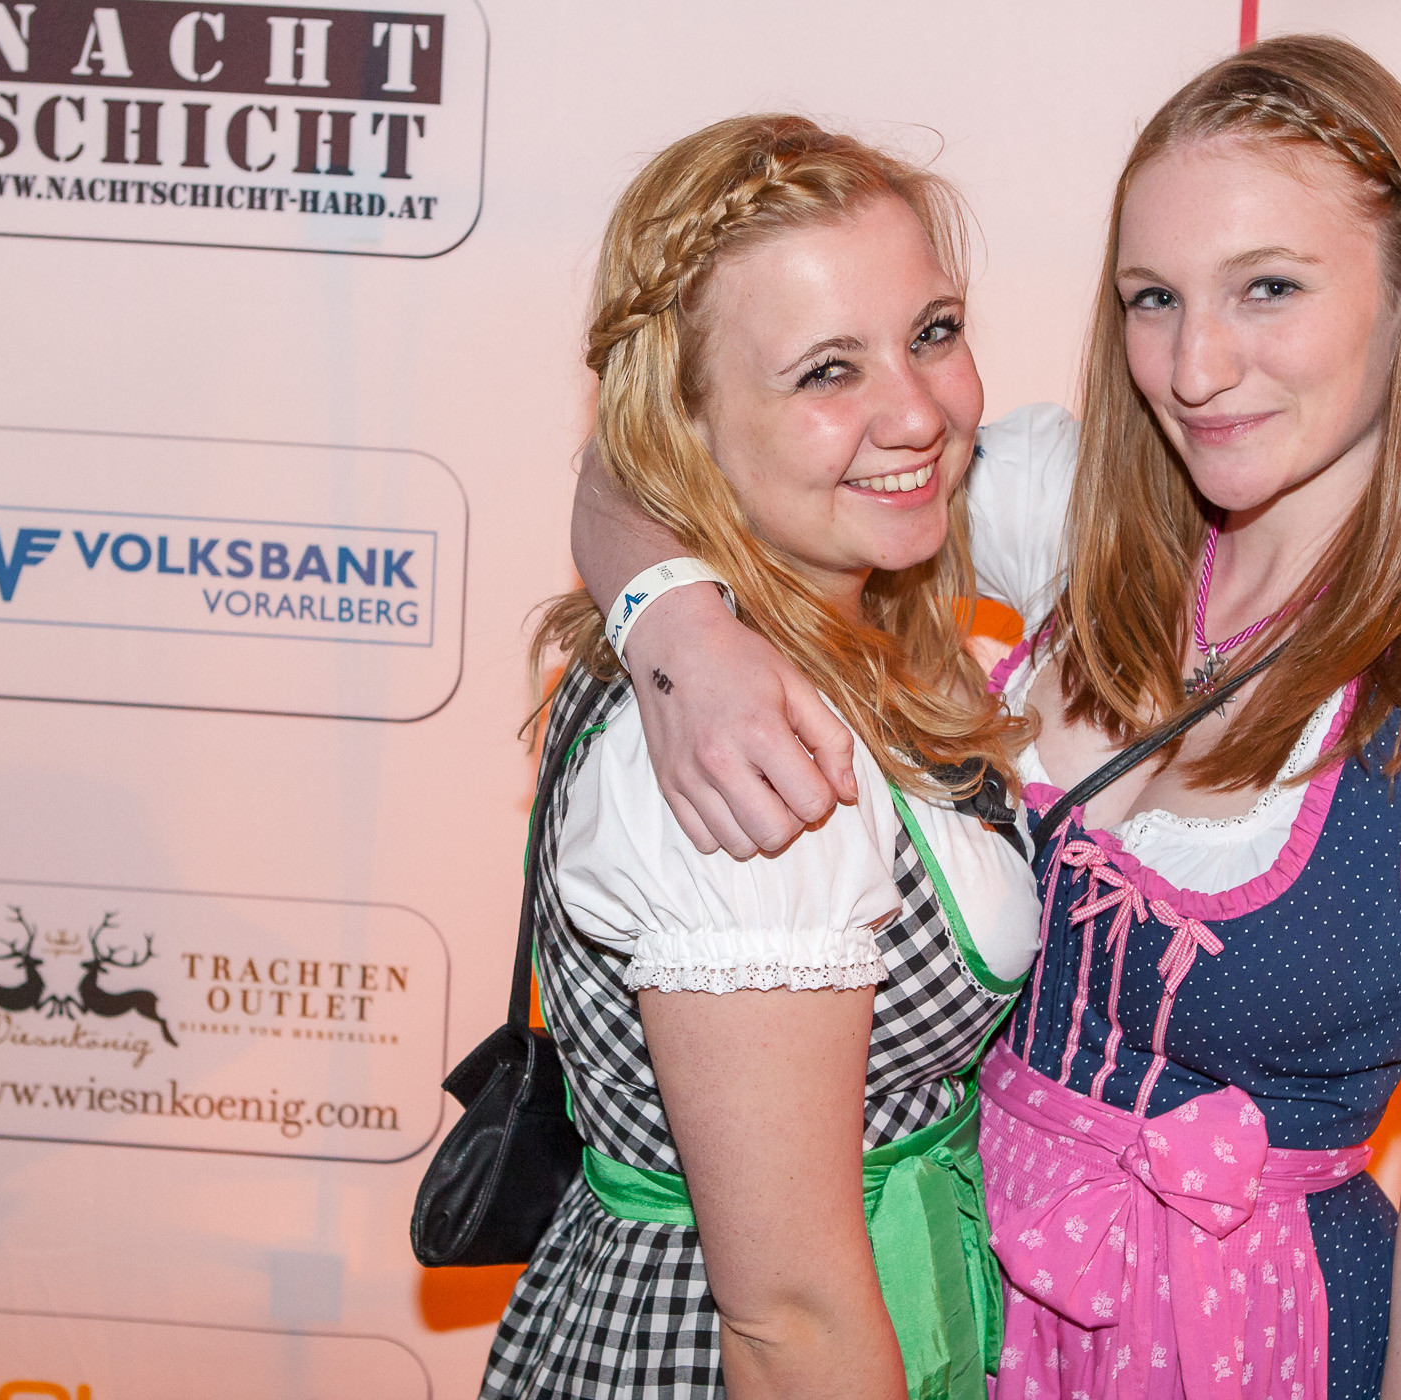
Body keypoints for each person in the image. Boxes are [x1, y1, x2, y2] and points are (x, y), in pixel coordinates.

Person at [567, 38, 1401, 1400]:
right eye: (1154, 299)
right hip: (966, 1304)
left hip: (1247, 1343)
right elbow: (653, 456)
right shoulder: (1076, 513)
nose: (1197, 367)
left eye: (1268, 287)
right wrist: (678, 626)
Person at [488, 115, 1045, 1400]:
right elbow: (790, 1319)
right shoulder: (745, 751)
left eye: (934, 331)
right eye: (825, 371)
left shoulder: (785, 627)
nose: (918, 410)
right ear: (686, 423)